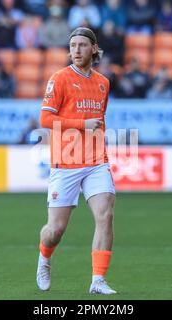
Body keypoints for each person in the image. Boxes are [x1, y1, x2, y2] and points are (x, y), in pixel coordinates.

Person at [36, 27, 117, 295]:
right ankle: (44, 258)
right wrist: (82, 124)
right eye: (72, 45)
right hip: (66, 163)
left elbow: (100, 121)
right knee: (55, 230)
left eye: (82, 45)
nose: (76, 50)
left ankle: (98, 280)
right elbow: (46, 120)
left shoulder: (103, 82)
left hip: (96, 161)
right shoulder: (58, 79)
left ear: (94, 49)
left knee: (105, 216)